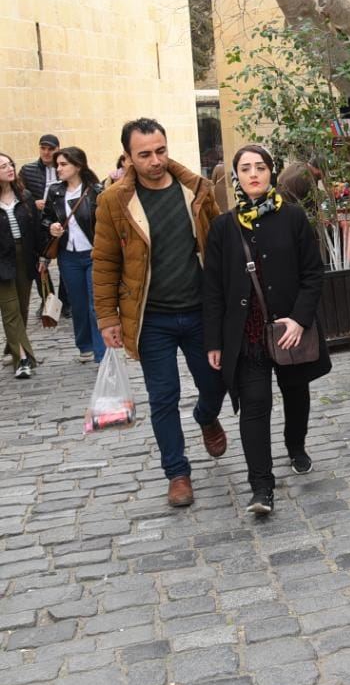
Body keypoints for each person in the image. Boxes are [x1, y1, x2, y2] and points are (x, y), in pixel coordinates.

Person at [92, 118, 228, 508]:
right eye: (145, 154)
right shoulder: (114, 201)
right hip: (151, 318)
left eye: (161, 151)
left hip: (201, 311)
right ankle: (178, 473)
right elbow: (104, 262)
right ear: (129, 157)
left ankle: (206, 416)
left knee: (217, 383)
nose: (155, 160)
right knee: (163, 396)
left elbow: (219, 244)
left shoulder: (196, 190)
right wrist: (107, 318)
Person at [204, 145, 330, 516]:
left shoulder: (292, 218)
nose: (253, 173)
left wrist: (299, 319)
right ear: (237, 176)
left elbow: (312, 273)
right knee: (254, 406)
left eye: (260, 167)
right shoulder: (223, 228)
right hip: (246, 334)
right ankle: (261, 487)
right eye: (245, 168)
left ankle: (296, 445)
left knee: (295, 393)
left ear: (272, 172)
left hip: (289, 329)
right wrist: (213, 340)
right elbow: (212, 288)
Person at [41, 147, 107, 364]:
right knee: (78, 304)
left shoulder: (95, 191)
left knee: (95, 304)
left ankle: (101, 353)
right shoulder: (55, 192)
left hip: (93, 255)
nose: (58, 168)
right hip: (68, 256)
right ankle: (84, 345)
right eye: (57, 165)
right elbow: (45, 219)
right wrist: (52, 227)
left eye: (63, 164)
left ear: (77, 166)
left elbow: (106, 223)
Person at [20, 134, 70, 317]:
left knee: (66, 260)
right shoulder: (28, 170)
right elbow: (19, 193)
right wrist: (34, 202)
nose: (47, 152)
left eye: (51, 149)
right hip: (38, 224)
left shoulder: (64, 167)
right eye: (43, 148)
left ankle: (66, 302)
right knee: (39, 263)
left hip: (62, 221)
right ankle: (47, 299)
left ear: (58, 149)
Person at [0, 152, 40, 377]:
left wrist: (41, 258)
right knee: (11, 310)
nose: (9, 168)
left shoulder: (24, 196)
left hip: (24, 258)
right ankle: (23, 360)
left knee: (22, 309)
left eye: (10, 164)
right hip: (1, 260)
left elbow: (34, 232)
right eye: (3, 166)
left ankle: (12, 345)